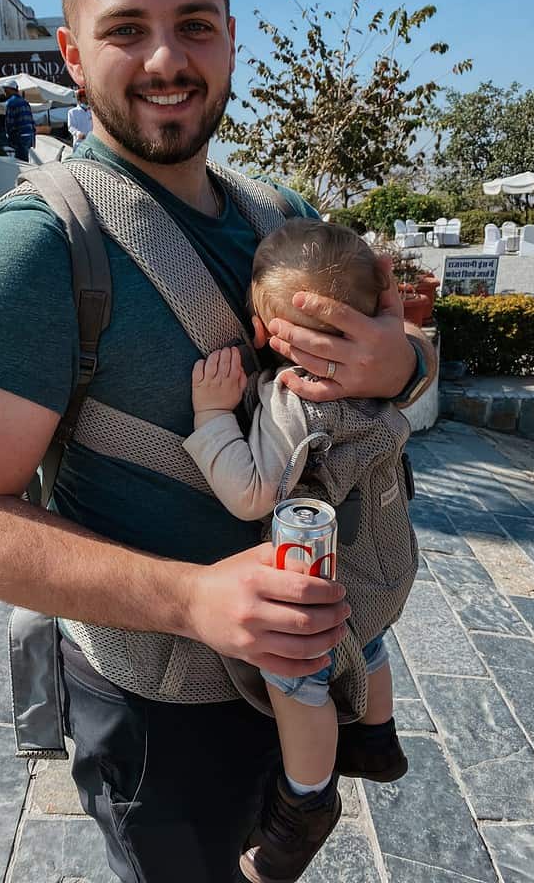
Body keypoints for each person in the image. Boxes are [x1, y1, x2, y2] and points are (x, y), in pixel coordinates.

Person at [0, 0, 435, 883]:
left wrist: (401, 366)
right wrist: (196, 598)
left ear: (232, 42)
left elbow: (394, 369)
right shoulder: (26, 257)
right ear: (72, 52)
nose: (166, 59)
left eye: (194, 24)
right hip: (162, 717)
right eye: (125, 30)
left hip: (300, 681)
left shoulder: (284, 215)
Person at [186, 218, 414, 881]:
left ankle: (307, 802)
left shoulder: (298, 403)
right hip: (385, 565)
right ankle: (376, 738)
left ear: (261, 331)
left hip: (326, 578)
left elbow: (253, 492)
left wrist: (210, 418)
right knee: (369, 642)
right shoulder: (371, 379)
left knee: (297, 678)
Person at [3, 80, 36, 160]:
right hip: (29, 135)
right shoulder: (25, 102)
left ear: (10, 89)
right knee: (26, 161)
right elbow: (31, 120)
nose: (4, 92)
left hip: (19, 136)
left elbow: (9, 122)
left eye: (6, 89)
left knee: (21, 163)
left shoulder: (11, 102)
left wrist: (9, 137)